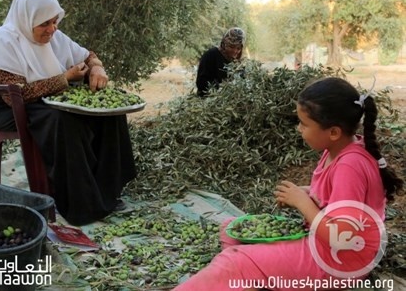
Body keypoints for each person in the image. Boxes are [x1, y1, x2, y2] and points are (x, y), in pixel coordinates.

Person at [173, 77, 403, 290]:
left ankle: (247, 273)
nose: (299, 129)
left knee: (234, 260)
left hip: (339, 262)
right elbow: (337, 201)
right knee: (231, 229)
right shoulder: (337, 149)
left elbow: (340, 237)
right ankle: (254, 278)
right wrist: (310, 193)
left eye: (304, 124)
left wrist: (303, 203)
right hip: (331, 248)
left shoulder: (348, 166)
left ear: (333, 132)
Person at [0, 0, 137, 226]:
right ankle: (80, 205)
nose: (52, 29)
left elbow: (87, 55)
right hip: (10, 107)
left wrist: (97, 67)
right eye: (44, 24)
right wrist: (64, 79)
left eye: (55, 22)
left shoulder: (55, 36)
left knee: (108, 114)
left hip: (48, 99)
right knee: (66, 121)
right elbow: (15, 95)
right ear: (27, 18)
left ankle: (108, 193)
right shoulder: (4, 39)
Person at [196, 27, 246, 97]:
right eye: (231, 47)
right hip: (209, 100)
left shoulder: (239, 63)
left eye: (238, 48)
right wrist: (223, 88)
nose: (235, 51)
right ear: (224, 44)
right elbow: (201, 82)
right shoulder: (211, 55)